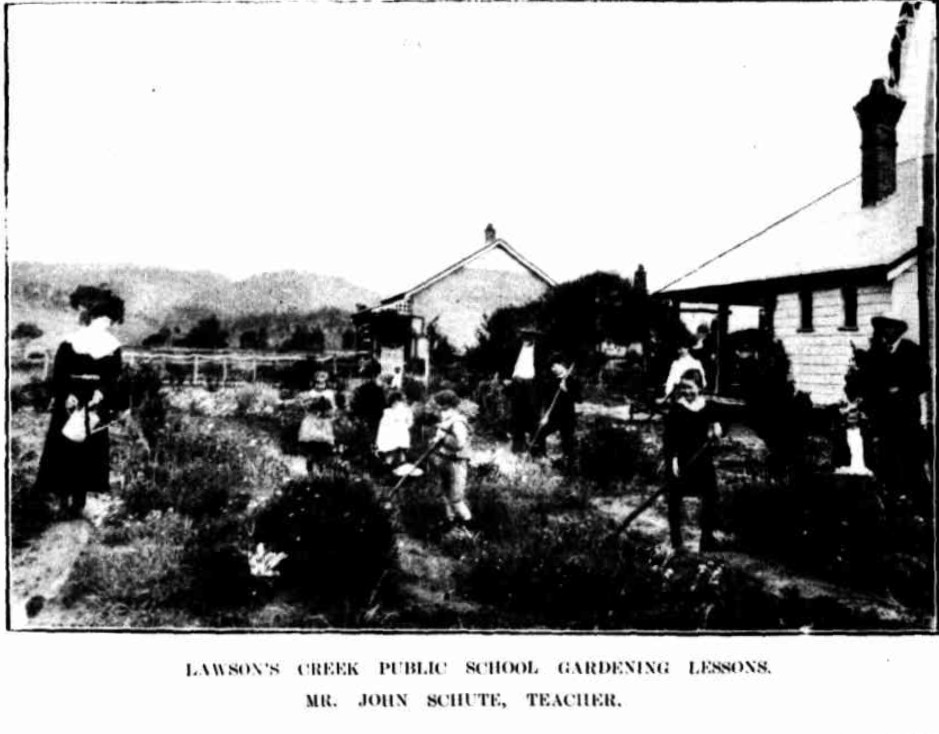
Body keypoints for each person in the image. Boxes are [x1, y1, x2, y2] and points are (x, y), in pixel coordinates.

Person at [35, 286, 125, 519]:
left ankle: (79, 499)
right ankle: (62, 499)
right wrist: (66, 394)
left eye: (109, 320)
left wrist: (102, 393)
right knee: (64, 445)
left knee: (88, 448)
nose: (105, 323)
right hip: (71, 397)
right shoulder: (70, 342)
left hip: (95, 398)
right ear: (92, 319)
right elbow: (59, 373)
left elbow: (113, 378)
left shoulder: (113, 347)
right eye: (101, 318)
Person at [859, 312, 930, 512]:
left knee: (911, 460)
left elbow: (924, 380)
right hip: (885, 418)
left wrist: (902, 389)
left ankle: (922, 506)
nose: (884, 331)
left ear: (898, 328)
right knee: (887, 459)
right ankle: (895, 503)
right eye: (882, 327)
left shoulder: (912, 351)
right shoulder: (879, 353)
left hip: (906, 416)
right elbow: (870, 382)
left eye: (888, 326)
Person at [663, 371, 722, 553]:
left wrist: (717, 428)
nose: (686, 391)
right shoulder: (676, 409)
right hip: (681, 461)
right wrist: (672, 461)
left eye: (690, 387)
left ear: (699, 387)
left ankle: (707, 538)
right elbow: (669, 439)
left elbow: (718, 424)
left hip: (702, 459)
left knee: (711, 496)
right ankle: (676, 540)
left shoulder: (708, 406)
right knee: (674, 499)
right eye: (683, 387)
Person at [432, 390, 473, 532]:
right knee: (445, 494)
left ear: (447, 406)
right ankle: (450, 523)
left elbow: (459, 444)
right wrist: (436, 440)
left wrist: (444, 438)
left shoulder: (458, 422)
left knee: (456, 498)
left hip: (457, 462)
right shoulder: (446, 420)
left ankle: (468, 526)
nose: (438, 408)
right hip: (445, 460)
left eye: (440, 405)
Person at [531, 355, 578, 470]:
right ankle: (541, 458)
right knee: (539, 431)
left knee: (567, 442)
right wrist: (544, 416)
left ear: (562, 365)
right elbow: (545, 400)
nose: (552, 369)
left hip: (567, 417)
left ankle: (569, 466)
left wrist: (566, 390)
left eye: (554, 366)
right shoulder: (551, 381)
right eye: (551, 366)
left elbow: (579, 399)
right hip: (553, 417)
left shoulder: (572, 380)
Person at [297, 370, 337, 471]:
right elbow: (306, 408)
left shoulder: (329, 393)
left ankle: (321, 470)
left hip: (324, 423)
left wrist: (327, 413)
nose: (320, 385)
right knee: (311, 447)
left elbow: (333, 407)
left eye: (322, 383)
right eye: (318, 383)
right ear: (315, 383)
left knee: (323, 448)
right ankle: (310, 470)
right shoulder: (310, 394)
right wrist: (313, 410)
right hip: (312, 423)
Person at [510, 328, 541, 452]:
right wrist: (508, 377)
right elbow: (508, 362)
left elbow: (542, 366)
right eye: (524, 337)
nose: (526, 340)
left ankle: (534, 447)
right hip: (517, 382)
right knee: (517, 414)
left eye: (529, 337)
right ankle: (517, 446)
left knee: (532, 414)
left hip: (531, 383)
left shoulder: (538, 350)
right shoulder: (516, 348)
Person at [351, 358, 386, 444]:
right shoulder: (380, 390)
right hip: (375, 421)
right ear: (375, 376)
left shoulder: (359, 390)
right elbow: (383, 407)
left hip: (363, 421)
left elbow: (355, 406)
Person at [376, 390, 413, 468]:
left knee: (400, 452)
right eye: (397, 403)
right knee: (392, 452)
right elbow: (384, 428)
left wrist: (405, 425)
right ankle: (389, 465)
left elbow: (409, 422)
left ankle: (401, 464)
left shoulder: (405, 410)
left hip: (401, 435)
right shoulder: (388, 413)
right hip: (392, 437)